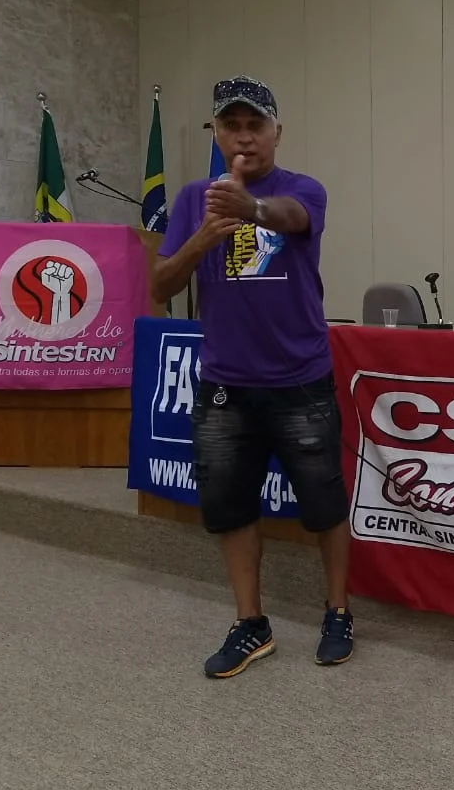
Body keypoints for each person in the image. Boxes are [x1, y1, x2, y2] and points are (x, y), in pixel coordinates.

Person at [151, 75, 354, 679]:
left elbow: (291, 217)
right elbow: (160, 286)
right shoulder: (194, 198)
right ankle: (251, 623)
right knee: (230, 509)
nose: (244, 137)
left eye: (255, 125)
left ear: (276, 132)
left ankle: (338, 611)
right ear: (215, 133)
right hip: (224, 386)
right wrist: (201, 239)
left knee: (323, 505)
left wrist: (252, 210)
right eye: (231, 125)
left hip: (299, 380)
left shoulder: (303, 188)